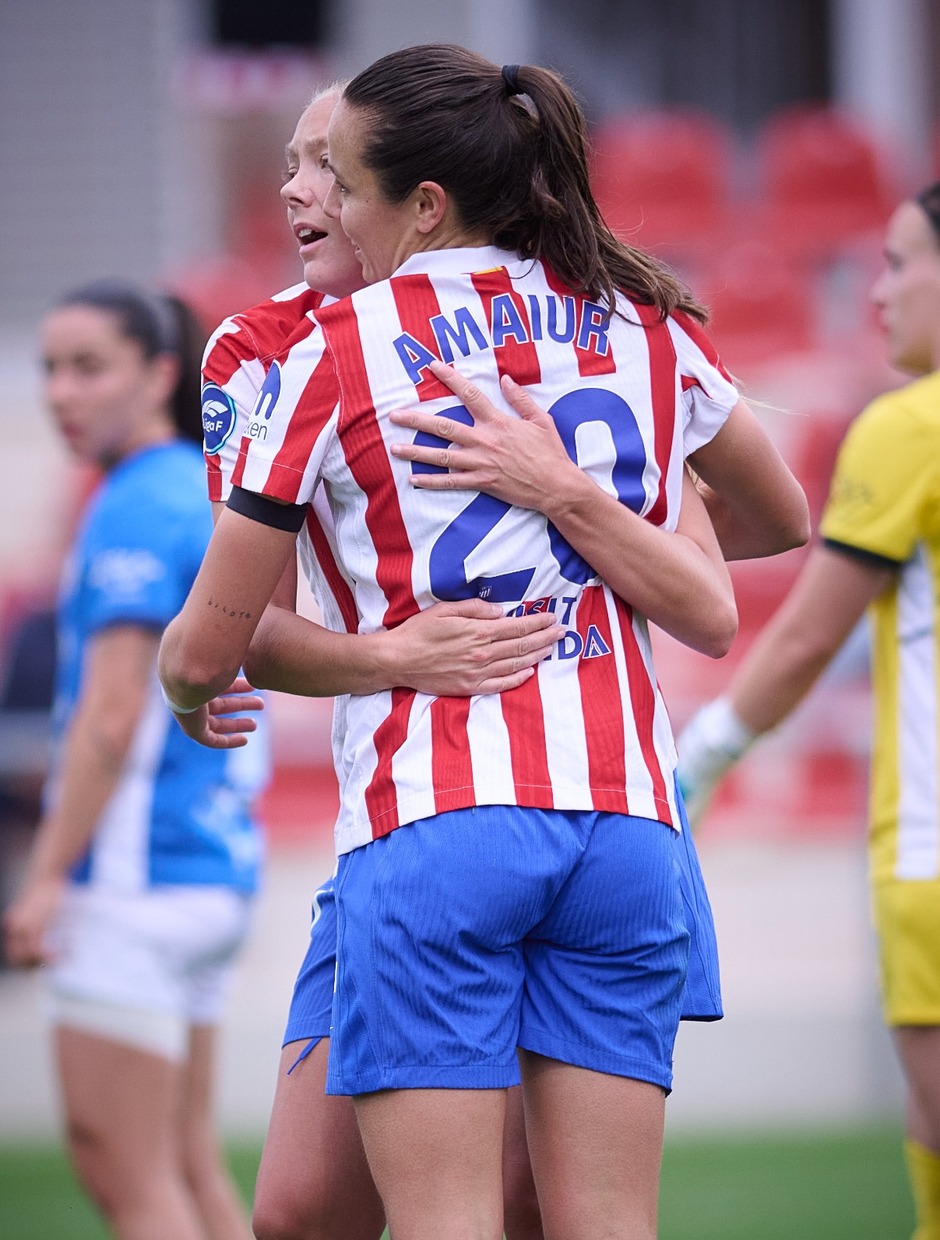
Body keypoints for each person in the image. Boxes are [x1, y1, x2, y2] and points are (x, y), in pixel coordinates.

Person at [161, 46, 808, 1240]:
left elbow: (211, 647)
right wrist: (601, 515)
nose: (314, 200)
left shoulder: (327, 349)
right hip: (625, 823)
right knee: (601, 1223)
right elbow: (771, 527)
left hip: (441, 818)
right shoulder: (638, 323)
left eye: (335, 176)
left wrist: (200, 677)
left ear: (421, 200)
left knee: (448, 1219)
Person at [678, 180, 940, 1240]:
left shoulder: (909, 427)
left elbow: (800, 637)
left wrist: (692, 760)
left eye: (898, 262)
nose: (875, 293)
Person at [1, 281, 264, 1240]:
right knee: (189, 1167)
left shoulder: (134, 503)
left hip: (132, 877)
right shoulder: (200, 488)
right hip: (206, 872)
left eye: (89, 367)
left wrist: (40, 881)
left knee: (130, 1179)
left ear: (158, 374)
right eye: (51, 370)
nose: (62, 393)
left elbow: (110, 715)